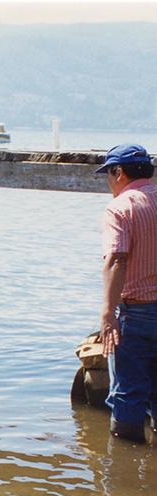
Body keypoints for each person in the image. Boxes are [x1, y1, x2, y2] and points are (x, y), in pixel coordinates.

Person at [96, 143, 157, 443]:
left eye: (109, 173)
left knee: (128, 394)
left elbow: (117, 259)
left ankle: (124, 474)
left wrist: (107, 315)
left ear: (119, 172)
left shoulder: (120, 208)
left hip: (137, 313)